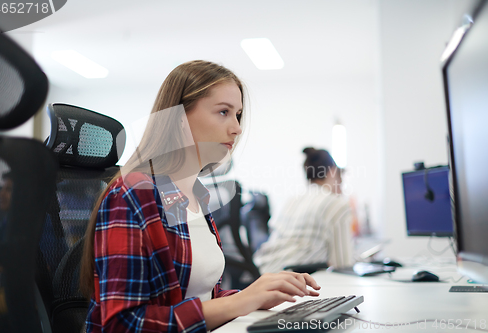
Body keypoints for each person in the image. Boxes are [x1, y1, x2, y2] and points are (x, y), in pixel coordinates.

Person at [80, 60, 320, 332]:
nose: (237, 127)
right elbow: (122, 324)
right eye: (223, 112)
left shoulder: (194, 193)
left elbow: (196, 298)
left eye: (238, 114)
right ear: (179, 118)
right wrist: (242, 302)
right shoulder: (133, 194)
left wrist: (257, 295)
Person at [253, 147, 354, 274]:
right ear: (333, 172)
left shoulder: (292, 200)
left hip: (261, 272)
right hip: (288, 280)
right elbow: (342, 264)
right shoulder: (337, 204)